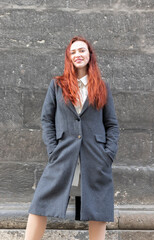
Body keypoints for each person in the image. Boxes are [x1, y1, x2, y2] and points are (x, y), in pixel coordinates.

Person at [25, 36, 119, 240]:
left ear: (89, 55)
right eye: (73, 52)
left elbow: (111, 124)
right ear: (69, 57)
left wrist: (108, 155)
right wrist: (52, 149)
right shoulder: (57, 85)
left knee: (98, 208)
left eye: (82, 50)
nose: (78, 55)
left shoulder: (102, 86)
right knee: (40, 202)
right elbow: (46, 119)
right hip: (63, 153)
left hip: (95, 155)